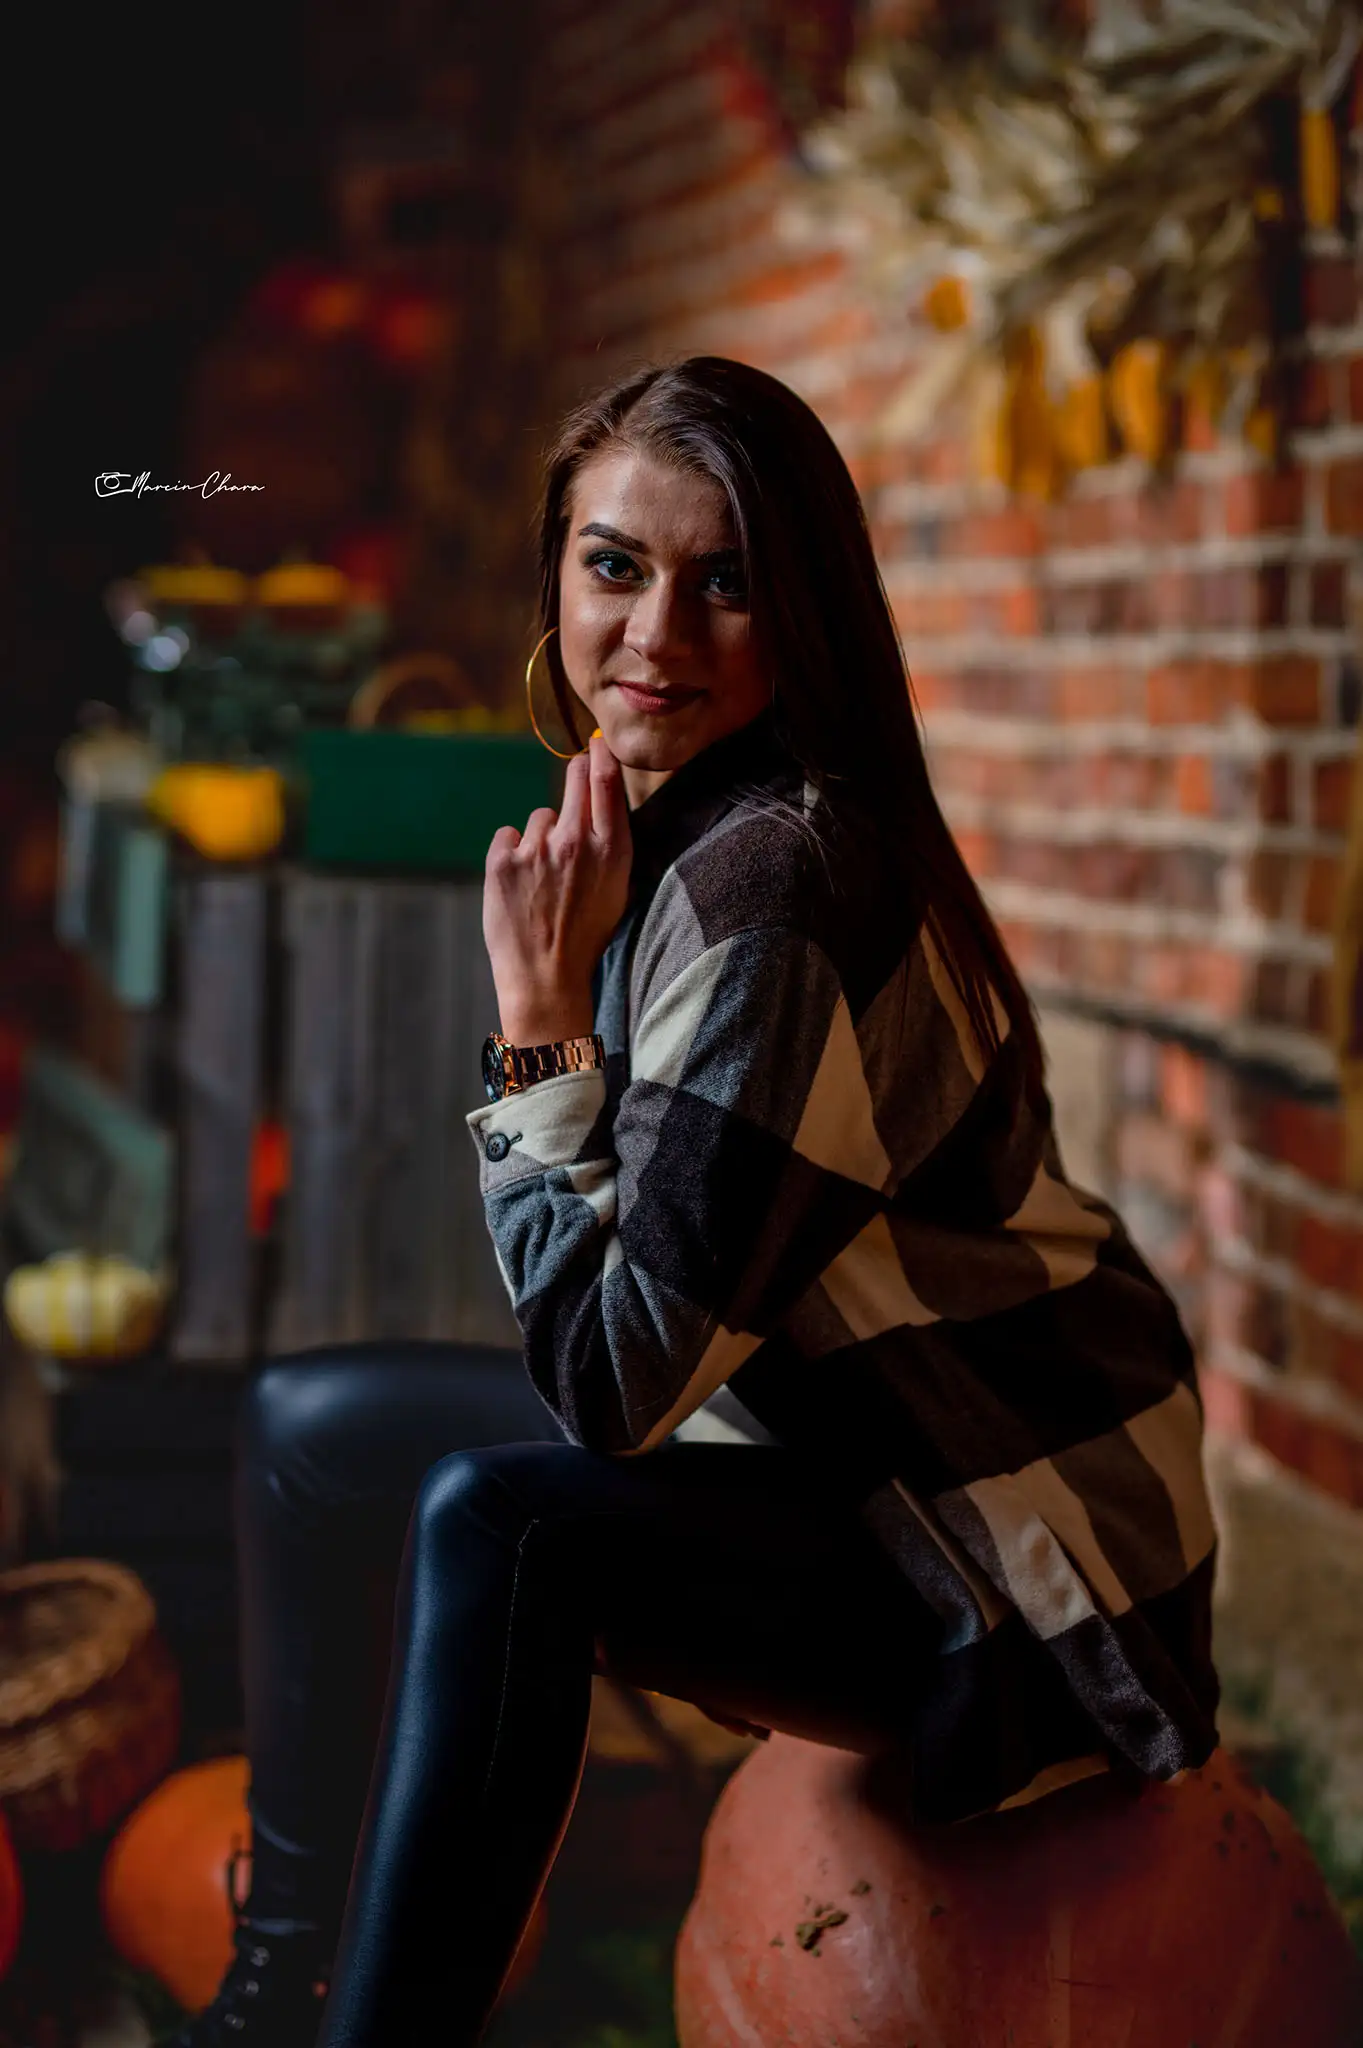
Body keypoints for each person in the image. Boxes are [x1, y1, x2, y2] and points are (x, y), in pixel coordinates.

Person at [174, 355, 1220, 2048]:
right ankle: (276, 1988)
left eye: (723, 581)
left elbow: (609, 1387)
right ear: (555, 581)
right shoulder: (672, 824)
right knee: (308, 1428)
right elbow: (639, 1325)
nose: (655, 632)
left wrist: (537, 1026)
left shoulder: (774, 888)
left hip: (994, 1554)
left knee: (503, 1520)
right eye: (615, 567)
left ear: (799, 609)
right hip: (819, 1436)